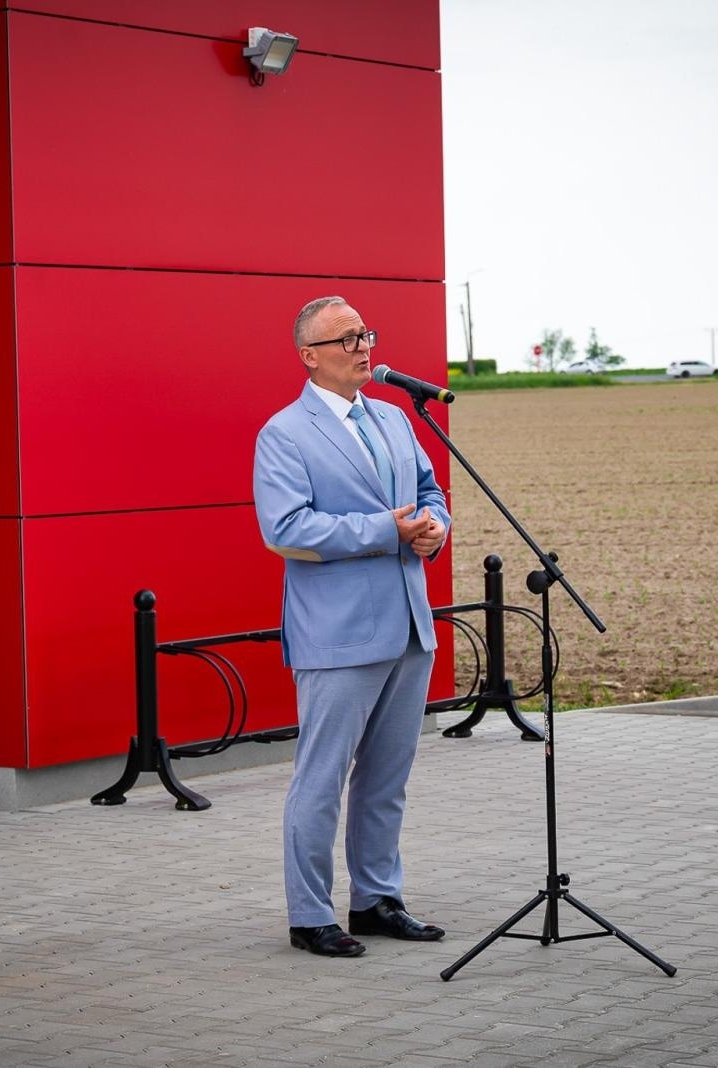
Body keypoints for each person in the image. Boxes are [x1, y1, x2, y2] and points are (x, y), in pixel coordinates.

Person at [252, 296, 451, 957]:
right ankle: (310, 915)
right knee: (322, 779)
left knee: (387, 778)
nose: (363, 347)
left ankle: (376, 900)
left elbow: (430, 493)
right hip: (337, 635)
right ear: (308, 356)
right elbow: (286, 529)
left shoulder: (395, 417)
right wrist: (383, 530)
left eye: (365, 334)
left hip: (409, 626)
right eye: (346, 339)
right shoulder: (285, 433)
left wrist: (434, 529)